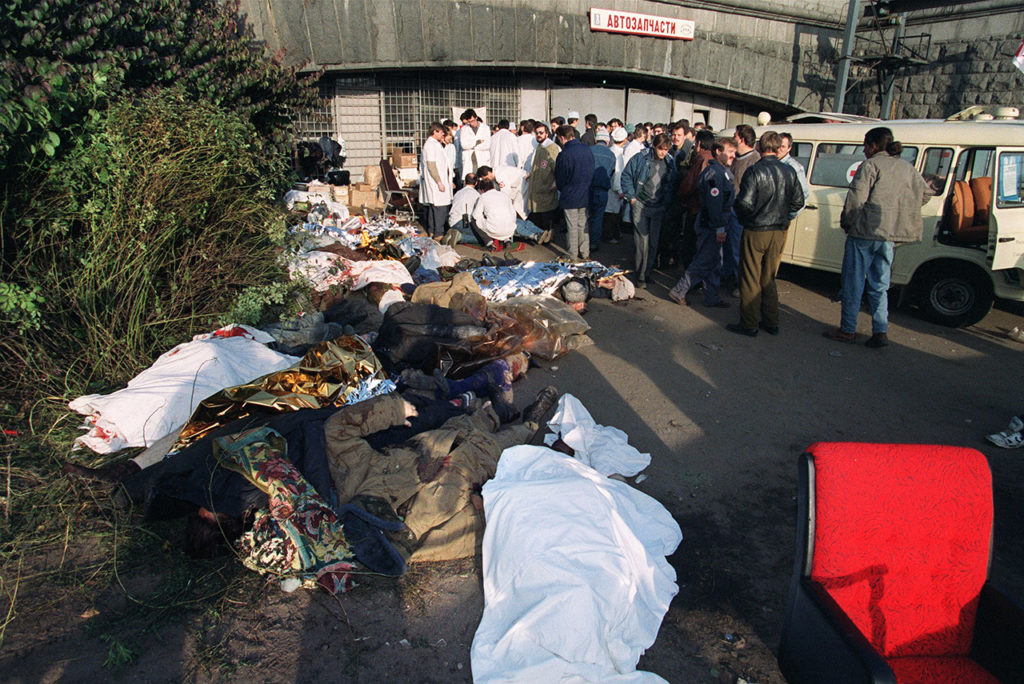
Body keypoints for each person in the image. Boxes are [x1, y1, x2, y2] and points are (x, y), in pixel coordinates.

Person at [824, 126, 931, 347]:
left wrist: (847, 223)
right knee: (880, 285)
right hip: (888, 236)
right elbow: (926, 193)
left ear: (873, 145)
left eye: (865, 146)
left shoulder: (870, 165)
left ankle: (847, 329)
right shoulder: (906, 167)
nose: (863, 150)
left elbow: (856, 200)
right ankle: (880, 330)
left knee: (854, 282)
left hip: (864, 233)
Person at [726, 131, 804, 337]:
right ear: (778, 147)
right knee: (769, 277)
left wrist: (748, 218)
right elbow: (798, 201)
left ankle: (749, 323)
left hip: (756, 229)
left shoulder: (755, 171)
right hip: (779, 229)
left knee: (751, 276)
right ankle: (771, 321)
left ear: (760, 147)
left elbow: (744, 203)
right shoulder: (789, 171)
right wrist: (783, 216)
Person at [668, 137, 737, 308]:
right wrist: (719, 227)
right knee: (705, 260)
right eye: (730, 152)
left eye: (734, 152)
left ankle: (711, 296)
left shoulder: (723, 171)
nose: (733, 156)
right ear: (718, 152)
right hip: (712, 223)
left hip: (719, 221)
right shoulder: (715, 173)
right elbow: (714, 204)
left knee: (715, 262)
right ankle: (679, 290)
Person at [620, 133, 676, 287]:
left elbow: (671, 185)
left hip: (658, 207)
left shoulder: (670, 162)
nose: (663, 152)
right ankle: (641, 276)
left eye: (666, 149)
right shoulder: (641, 158)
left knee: (653, 242)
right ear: (654, 146)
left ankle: (647, 271)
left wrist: (665, 204)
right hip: (641, 205)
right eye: (660, 149)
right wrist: (632, 198)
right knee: (642, 242)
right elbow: (626, 176)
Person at [722, 124, 761, 290]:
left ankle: (740, 283)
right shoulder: (735, 158)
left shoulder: (755, 161)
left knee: (738, 250)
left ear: (742, 140)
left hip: (741, 213)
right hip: (729, 210)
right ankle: (726, 277)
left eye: (735, 136)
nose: (733, 139)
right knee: (727, 248)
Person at [554, 124, 596, 260]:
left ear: (562, 137)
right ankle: (585, 253)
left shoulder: (564, 154)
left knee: (571, 226)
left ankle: (573, 254)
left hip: (570, 194)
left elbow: (560, 178)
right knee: (583, 225)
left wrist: (563, 188)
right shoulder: (587, 150)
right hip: (585, 192)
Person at [476, 165, 548, 244]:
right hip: (520, 185)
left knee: (518, 212)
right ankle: (540, 232)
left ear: (489, 173)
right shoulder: (498, 171)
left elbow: (506, 192)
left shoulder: (500, 176)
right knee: (517, 216)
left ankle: (536, 233)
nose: (486, 180)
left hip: (523, 184)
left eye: (485, 178)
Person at [419, 122, 453, 239]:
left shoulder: (435, 144)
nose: (443, 134)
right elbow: (431, 165)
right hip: (436, 182)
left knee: (435, 208)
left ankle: (432, 231)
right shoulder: (430, 145)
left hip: (438, 181)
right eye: (441, 132)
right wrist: (439, 182)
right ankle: (438, 233)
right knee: (440, 209)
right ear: (435, 132)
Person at [527, 123, 560, 235]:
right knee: (540, 215)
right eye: (536, 133)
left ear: (547, 133)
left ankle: (548, 236)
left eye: (541, 133)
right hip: (538, 187)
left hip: (547, 187)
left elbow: (556, 167)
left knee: (547, 215)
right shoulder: (540, 147)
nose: (539, 135)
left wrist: (555, 182)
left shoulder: (551, 147)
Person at [588, 130, 616, 252]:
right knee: (598, 217)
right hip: (602, 190)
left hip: (587, 188)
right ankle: (594, 243)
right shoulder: (611, 155)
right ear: (608, 141)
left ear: (596, 140)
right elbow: (611, 173)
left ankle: (583, 242)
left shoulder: (588, 150)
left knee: (584, 216)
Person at [471, 178, 517, 249]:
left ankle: (489, 242)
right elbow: (513, 212)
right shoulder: (504, 195)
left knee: (474, 220)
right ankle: (507, 239)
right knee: (506, 217)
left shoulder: (483, 196)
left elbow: (476, 215)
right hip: (510, 229)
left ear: (482, 190)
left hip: (495, 229)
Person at [604, 126, 628, 245]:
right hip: (614, 189)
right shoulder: (618, 154)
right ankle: (609, 236)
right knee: (612, 214)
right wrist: (619, 190)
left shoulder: (610, 150)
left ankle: (613, 234)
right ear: (624, 139)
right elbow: (617, 174)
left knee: (608, 212)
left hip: (607, 187)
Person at [446, 173, 480, 245]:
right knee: (481, 238)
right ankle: (460, 238)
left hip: (452, 221)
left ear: (465, 181)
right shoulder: (476, 194)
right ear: (476, 183)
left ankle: (452, 235)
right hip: (463, 222)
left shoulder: (458, 192)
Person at [458, 108, 490, 174]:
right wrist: (477, 142)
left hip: (482, 158)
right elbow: (464, 145)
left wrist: (472, 146)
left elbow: (487, 145)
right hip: (469, 160)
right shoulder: (464, 129)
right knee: (469, 180)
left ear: (476, 117)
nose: (472, 123)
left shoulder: (485, 128)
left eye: (473, 121)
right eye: (469, 122)